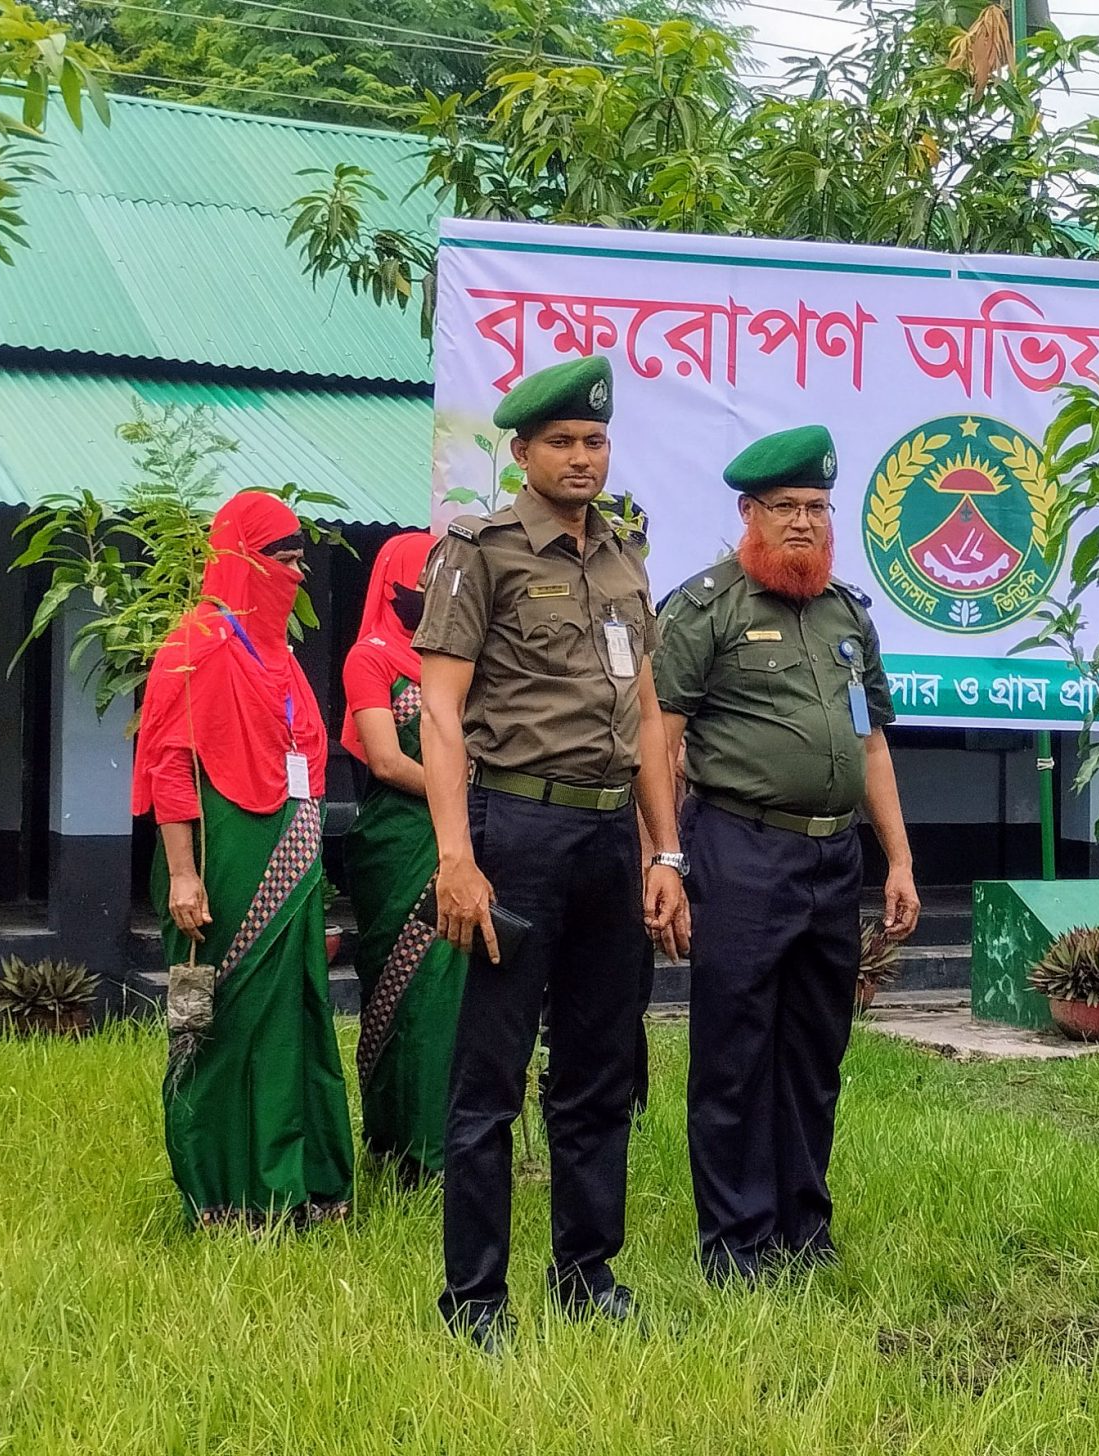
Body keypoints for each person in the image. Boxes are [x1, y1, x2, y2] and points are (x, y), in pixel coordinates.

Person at [413, 355, 692, 1352]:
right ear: (523, 452)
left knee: (598, 1068)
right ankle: (476, 1302)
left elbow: (650, 714)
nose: (583, 457)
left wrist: (666, 855)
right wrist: (456, 855)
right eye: (564, 442)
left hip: (609, 835)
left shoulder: (624, 558)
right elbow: (439, 711)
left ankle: (586, 1273)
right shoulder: (479, 550)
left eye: (596, 441)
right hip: (514, 830)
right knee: (487, 1078)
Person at [652, 424, 922, 1284]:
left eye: (816, 508)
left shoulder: (846, 615)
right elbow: (658, 741)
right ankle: (735, 1243)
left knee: (813, 1051)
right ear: (749, 513)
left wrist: (901, 860)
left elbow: (872, 743)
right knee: (734, 1053)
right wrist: (661, 857)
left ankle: (803, 1231)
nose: (804, 524)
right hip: (739, 848)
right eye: (786, 509)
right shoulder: (706, 608)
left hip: (832, 859)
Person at [133, 490, 355, 1228]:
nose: (294, 576)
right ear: (237, 560)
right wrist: (186, 872)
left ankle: (296, 1183)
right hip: (223, 858)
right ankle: (224, 1190)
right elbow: (167, 766)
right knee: (228, 1018)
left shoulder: (280, 655)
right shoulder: (193, 647)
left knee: (295, 1017)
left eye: (299, 561)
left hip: (292, 856)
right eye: (280, 560)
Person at [337, 529, 461, 1186]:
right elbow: (384, 759)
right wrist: (459, 793)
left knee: (451, 996)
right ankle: (400, 1150)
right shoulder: (372, 657)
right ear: (397, 588)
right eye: (426, 584)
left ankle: (448, 1149)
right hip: (400, 841)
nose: (436, 596)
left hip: (459, 841)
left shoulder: (460, 657)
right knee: (404, 995)